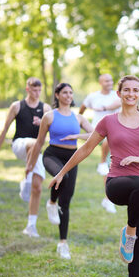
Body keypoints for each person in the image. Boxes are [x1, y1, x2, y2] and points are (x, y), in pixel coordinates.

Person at [48, 75, 139, 277]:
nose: (131, 94)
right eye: (127, 90)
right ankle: (130, 230)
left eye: (136, 90)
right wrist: (61, 172)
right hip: (116, 183)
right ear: (119, 93)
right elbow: (85, 149)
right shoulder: (108, 122)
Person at [26, 83, 93, 260]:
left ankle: (63, 243)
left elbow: (95, 135)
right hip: (52, 154)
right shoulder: (49, 116)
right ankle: (51, 202)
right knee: (63, 177)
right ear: (57, 95)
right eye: (65, 92)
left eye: (71, 92)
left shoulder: (78, 118)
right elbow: (39, 143)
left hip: (72, 157)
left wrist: (77, 136)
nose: (69, 95)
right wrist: (30, 165)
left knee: (67, 201)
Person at [0, 77, 51, 238]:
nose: (37, 93)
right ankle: (27, 175)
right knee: (33, 143)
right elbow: (4, 130)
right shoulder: (17, 106)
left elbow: (52, 132)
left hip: (36, 151)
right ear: (27, 89)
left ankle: (31, 226)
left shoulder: (45, 108)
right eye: (33, 90)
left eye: (39, 90)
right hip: (20, 145)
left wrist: (43, 124)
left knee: (38, 187)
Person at [79, 73, 121, 213]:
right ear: (100, 82)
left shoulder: (116, 95)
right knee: (108, 139)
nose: (110, 82)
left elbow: (118, 103)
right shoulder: (93, 96)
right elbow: (83, 108)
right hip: (96, 133)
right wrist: (78, 121)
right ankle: (102, 162)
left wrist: (104, 108)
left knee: (110, 168)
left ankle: (108, 199)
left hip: (113, 135)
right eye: (106, 80)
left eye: (111, 80)